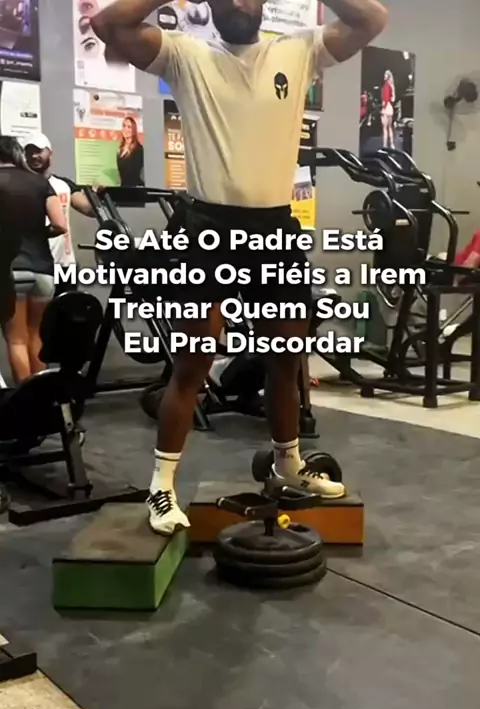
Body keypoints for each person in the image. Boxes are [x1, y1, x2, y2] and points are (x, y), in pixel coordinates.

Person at [91, 0, 388, 535]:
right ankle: (162, 486)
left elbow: (373, 19)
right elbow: (107, 24)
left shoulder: (300, 50)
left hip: (274, 229)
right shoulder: (183, 54)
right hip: (208, 228)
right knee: (193, 362)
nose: (238, 2)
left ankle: (288, 465)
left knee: (287, 356)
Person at [0, 136, 67, 384]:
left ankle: (24, 400)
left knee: (16, 339)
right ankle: (41, 398)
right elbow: (60, 225)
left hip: (10, 270)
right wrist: (38, 233)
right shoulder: (40, 182)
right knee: (37, 335)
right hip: (43, 270)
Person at [23, 132, 96, 286]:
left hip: (65, 265)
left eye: (39, 151)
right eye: (30, 152)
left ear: (50, 153)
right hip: (35, 265)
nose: (34, 156)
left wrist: (97, 195)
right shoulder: (20, 186)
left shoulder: (64, 185)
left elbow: (89, 210)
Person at [117, 116, 145, 186]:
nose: (125, 129)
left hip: (133, 188)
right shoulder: (120, 149)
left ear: (134, 130)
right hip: (123, 188)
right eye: (124, 126)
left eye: (129, 127)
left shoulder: (139, 150)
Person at [381, 68, 395, 149]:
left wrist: (383, 107)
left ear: (388, 76)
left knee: (384, 128)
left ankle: (385, 145)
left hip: (386, 108)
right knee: (390, 127)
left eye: (385, 75)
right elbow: (393, 99)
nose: (384, 76)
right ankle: (392, 144)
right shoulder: (392, 85)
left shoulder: (385, 86)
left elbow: (384, 99)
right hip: (390, 108)